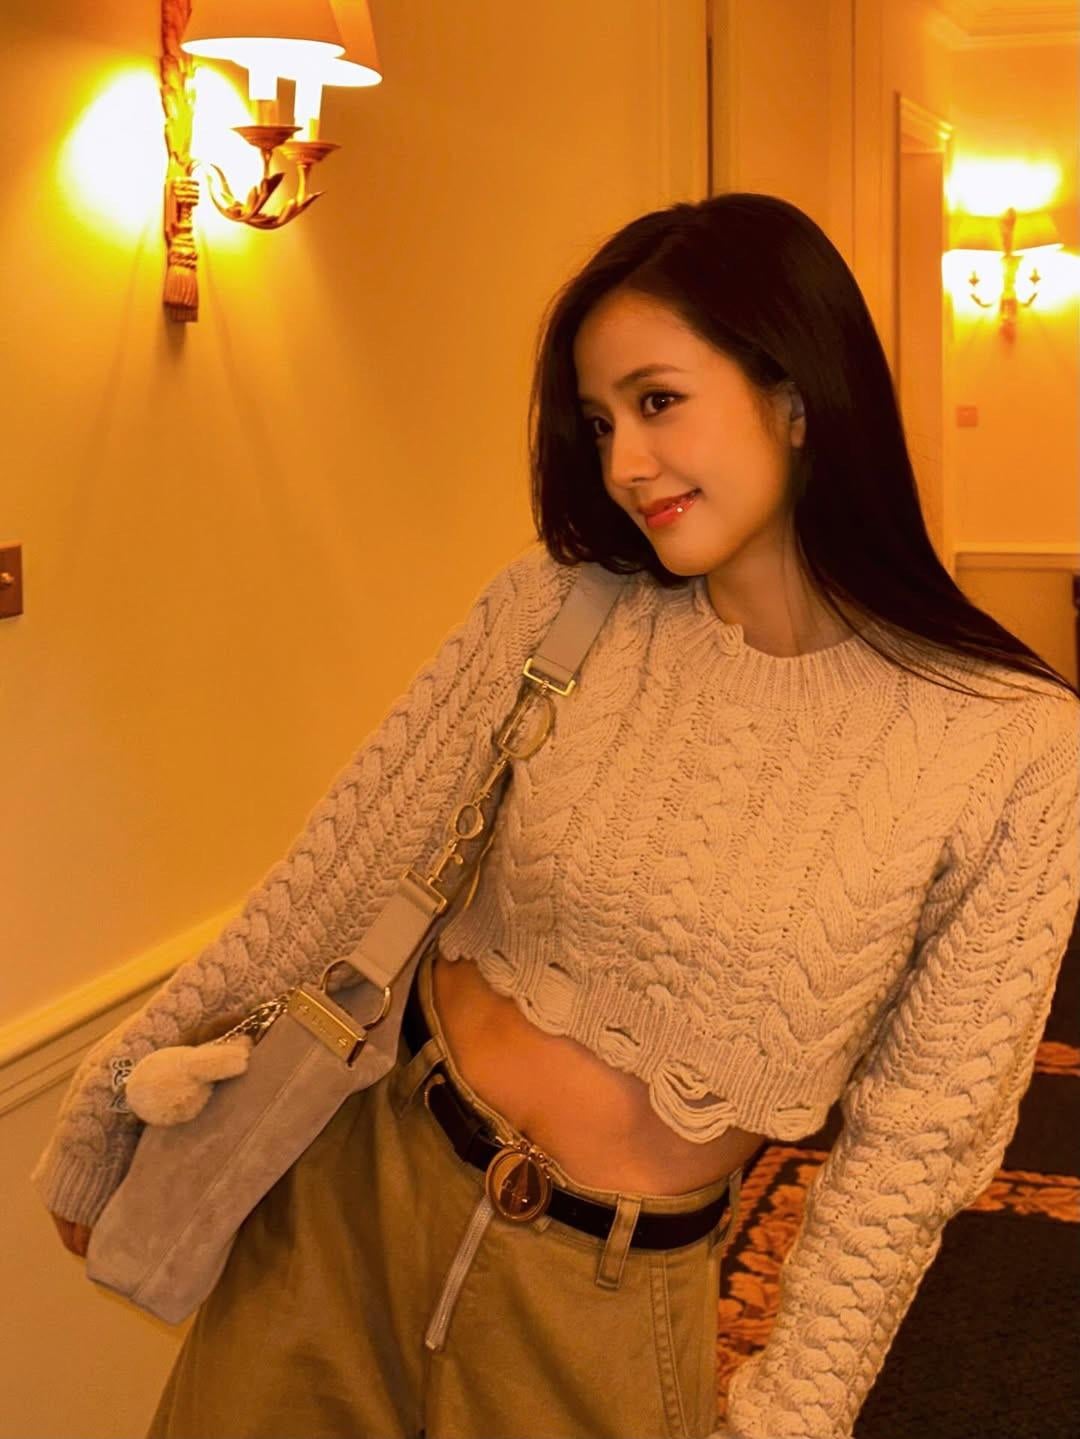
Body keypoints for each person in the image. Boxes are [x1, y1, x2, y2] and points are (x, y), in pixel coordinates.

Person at [36, 192, 1080, 1439]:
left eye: (658, 400)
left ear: (798, 397)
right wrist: (112, 1091)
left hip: (598, 1301)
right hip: (353, 1203)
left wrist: (795, 1412)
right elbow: (338, 871)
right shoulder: (559, 609)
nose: (624, 463)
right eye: (598, 421)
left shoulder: (1010, 743)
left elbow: (920, 1139)